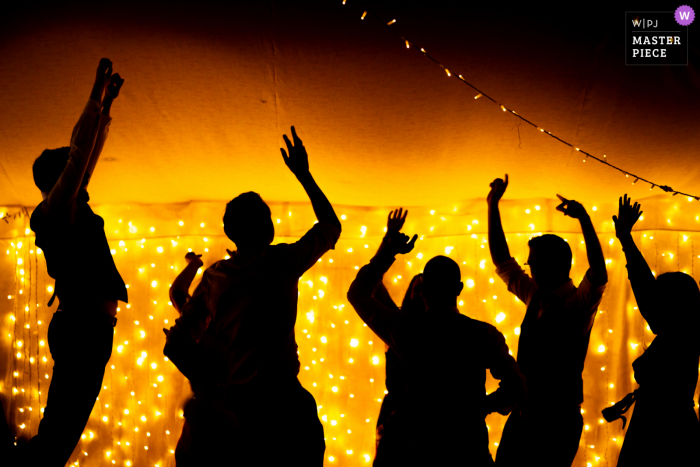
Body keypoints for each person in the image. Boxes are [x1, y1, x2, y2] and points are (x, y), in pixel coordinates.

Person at [163, 126, 341, 466]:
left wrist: (211, 382)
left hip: (237, 407)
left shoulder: (215, 276)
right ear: (268, 228)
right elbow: (331, 227)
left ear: (232, 232)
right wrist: (304, 175)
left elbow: (177, 341)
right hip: (284, 404)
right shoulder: (282, 262)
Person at [9, 58, 125, 467]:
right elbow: (78, 156)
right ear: (57, 181)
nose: (77, 176)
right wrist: (95, 90)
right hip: (83, 330)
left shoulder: (69, 208)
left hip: (86, 329)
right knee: (59, 435)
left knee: (61, 432)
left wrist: (106, 107)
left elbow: (85, 158)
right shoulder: (54, 212)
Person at [347, 226, 526, 466]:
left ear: (423, 291)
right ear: (459, 290)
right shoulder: (483, 333)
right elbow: (517, 386)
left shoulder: (405, 328)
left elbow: (358, 294)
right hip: (470, 449)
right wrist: (481, 406)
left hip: (423, 449)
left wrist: (388, 252)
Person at [487, 175, 608, 467]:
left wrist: (585, 220)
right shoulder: (535, 296)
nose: (530, 267)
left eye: (535, 262)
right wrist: (492, 205)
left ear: (557, 264)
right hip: (522, 416)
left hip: (557, 424)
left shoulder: (576, 305)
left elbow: (599, 274)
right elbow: (503, 262)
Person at [602, 195, 700, 466]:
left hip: (665, 434)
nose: (652, 304)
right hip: (661, 428)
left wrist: (627, 242)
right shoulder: (680, 336)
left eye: (661, 297)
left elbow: (647, 296)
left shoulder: (683, 335)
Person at [370, 209, 425, 466]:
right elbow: (371, 284)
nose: (424, 294)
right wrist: (388, 240)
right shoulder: (396, 324)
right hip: (397, 416)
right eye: (419, 289)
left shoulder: (455, 328)